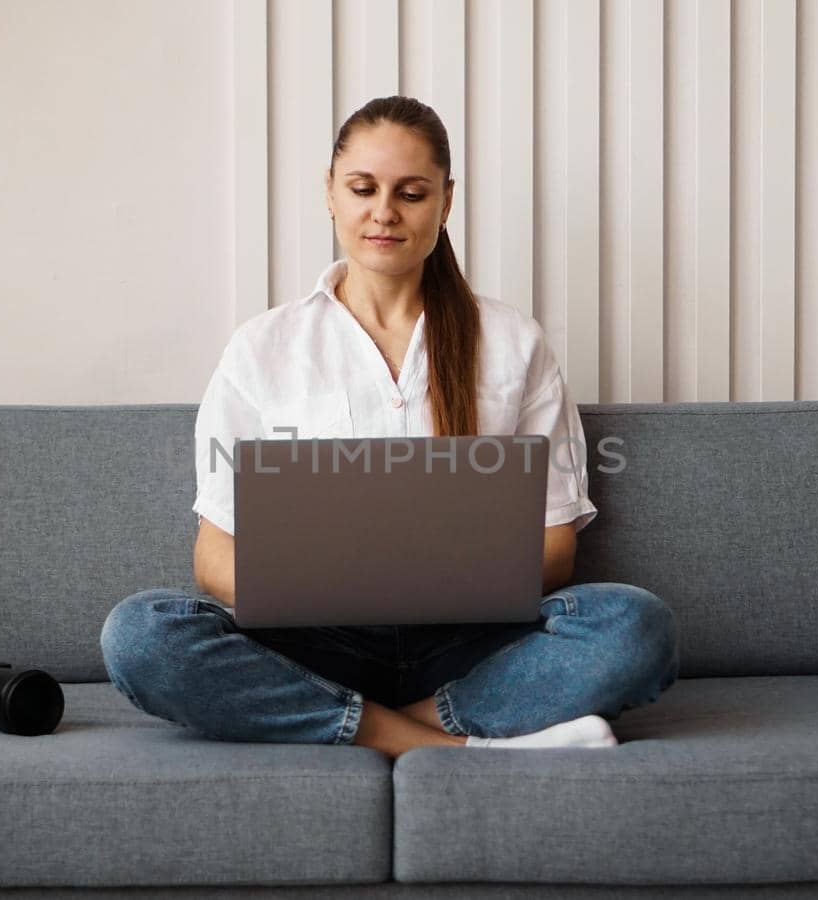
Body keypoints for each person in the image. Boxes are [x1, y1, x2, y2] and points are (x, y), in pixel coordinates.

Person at [100, 96, 679, 759]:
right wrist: (335, 582)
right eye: (362, 189)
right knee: (142, 635)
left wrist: (436, 577)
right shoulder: (264, 347)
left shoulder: (513, 342)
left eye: (410, 193)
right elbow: (214, 558)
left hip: (470, 643)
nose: (384, 212)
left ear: (445, 201)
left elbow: (555, 545)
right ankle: (446, 743)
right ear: (330, 194)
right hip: (317, 642)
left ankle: (365, 725)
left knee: (636, 626)